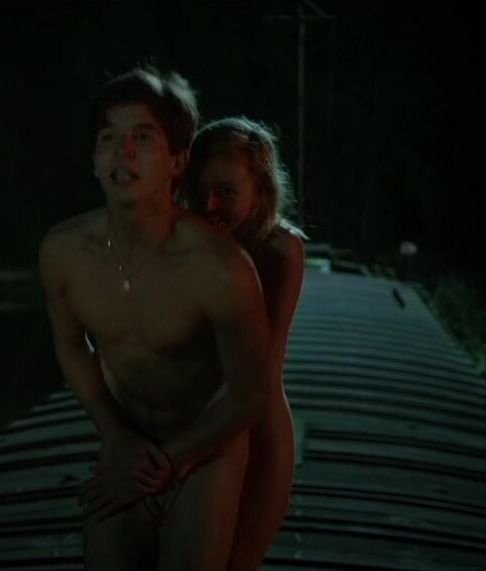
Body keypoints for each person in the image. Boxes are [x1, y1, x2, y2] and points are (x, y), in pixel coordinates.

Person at [38, 67, 274, 570]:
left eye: (143, 138)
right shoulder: (63, 253)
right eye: (109, 138)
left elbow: (250, 392)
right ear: (94, 160)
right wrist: (113, 435)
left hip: (206, 447)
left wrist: (172, 460)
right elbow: (71, 346)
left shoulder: (220, 267)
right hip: (127, 440)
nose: (123, 152)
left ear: (177, 161)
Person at [178, 116, 306, 570]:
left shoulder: (279, 251)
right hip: (190, 430)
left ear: (261, 191)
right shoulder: (183, 242)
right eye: (202, 190)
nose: (210, 204)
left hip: (257, 438)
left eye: (227, 191)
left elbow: (255, 375)